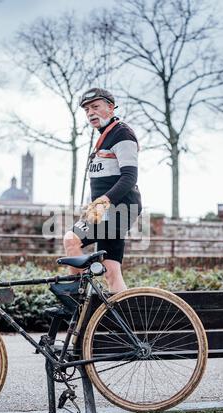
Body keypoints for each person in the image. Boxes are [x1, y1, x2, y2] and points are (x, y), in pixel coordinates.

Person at [63, 88, 142, 293]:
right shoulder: (104, 138)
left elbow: (129, 178)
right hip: (108, 209)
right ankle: (121, 319)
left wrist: (102, 202)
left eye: (95, 107)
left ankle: (78, 301)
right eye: (87, 109)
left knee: (71, 239)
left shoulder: (122, 133)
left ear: (110, 107)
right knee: (111, 270)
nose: (90, 113)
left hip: (119, 209)